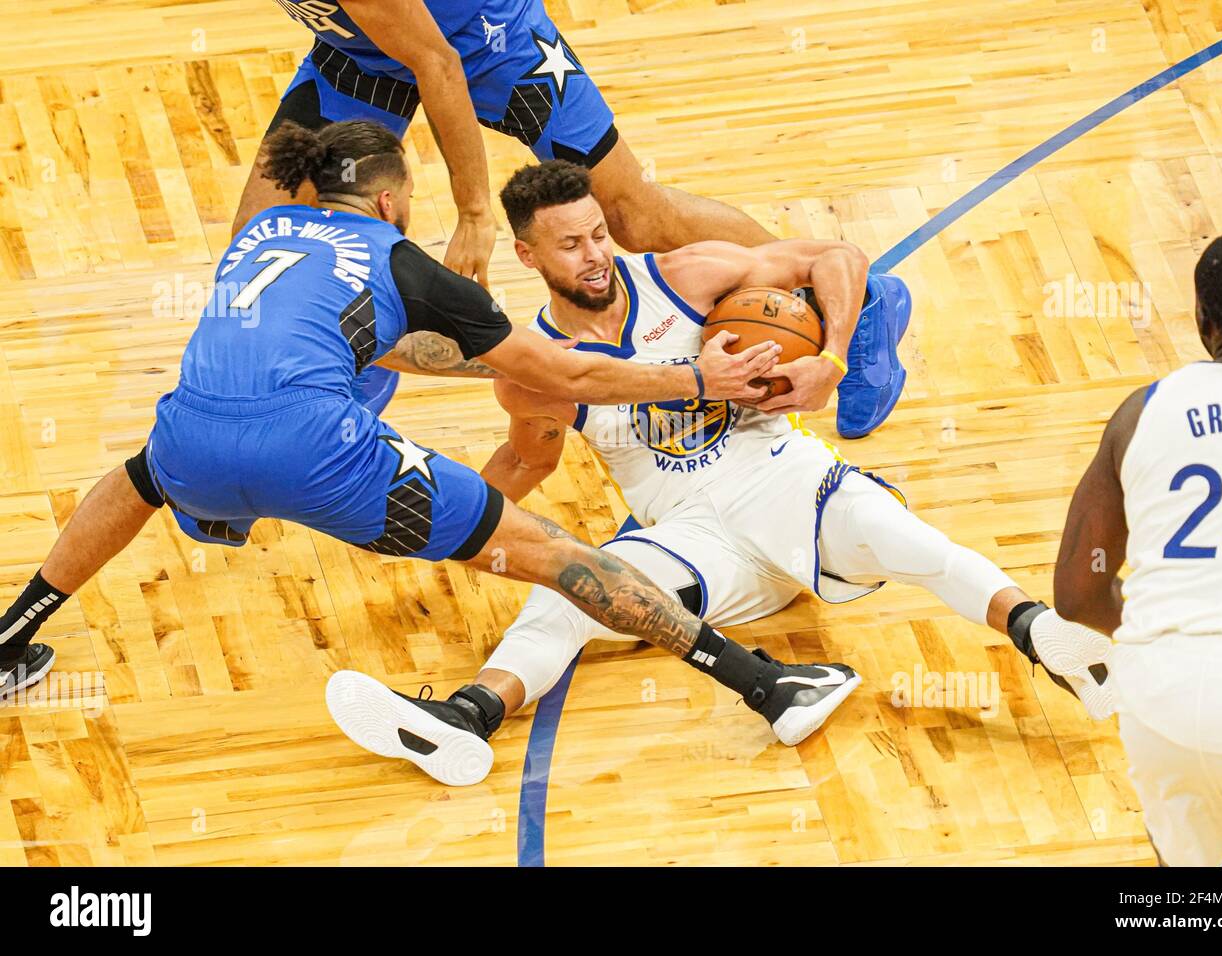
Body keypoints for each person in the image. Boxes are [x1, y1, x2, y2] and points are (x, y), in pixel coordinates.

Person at [2, 120, 864, 764]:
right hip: (317, 455)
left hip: (191, 438)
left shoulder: (260, 233)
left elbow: (370, 340)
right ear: (388, 200)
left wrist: (482, 363)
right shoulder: (411, 265)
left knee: (137, 478)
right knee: (555, 553)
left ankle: (12, 636)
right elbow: (577, 378)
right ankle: (765, 684)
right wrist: (696, 381)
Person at [325, 160, 1113, 787]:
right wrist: (428, 530)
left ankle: (1048, 637)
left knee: (902, 537)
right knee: (567, 588)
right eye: (571, 245)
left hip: (786, 481)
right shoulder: (531, 370)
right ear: (528, 256)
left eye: (599, 234)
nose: (596, 256)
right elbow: (527, 459)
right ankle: (465, 719)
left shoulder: (686, 276)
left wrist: (831, 360)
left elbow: (836, 255)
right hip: (694, 541)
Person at [247, 0, 907, 438]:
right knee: (262, 237)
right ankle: (348, 383)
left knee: (634, 216)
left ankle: (856, 298)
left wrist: (476, 212)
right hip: (365, 54)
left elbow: (438, 64)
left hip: (485, 44)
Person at [1054, 231, 1222, 867]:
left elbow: (1078, 594)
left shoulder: (1141, 413)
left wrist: (1169, 629)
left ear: (1201, 321)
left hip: (1156, 694)